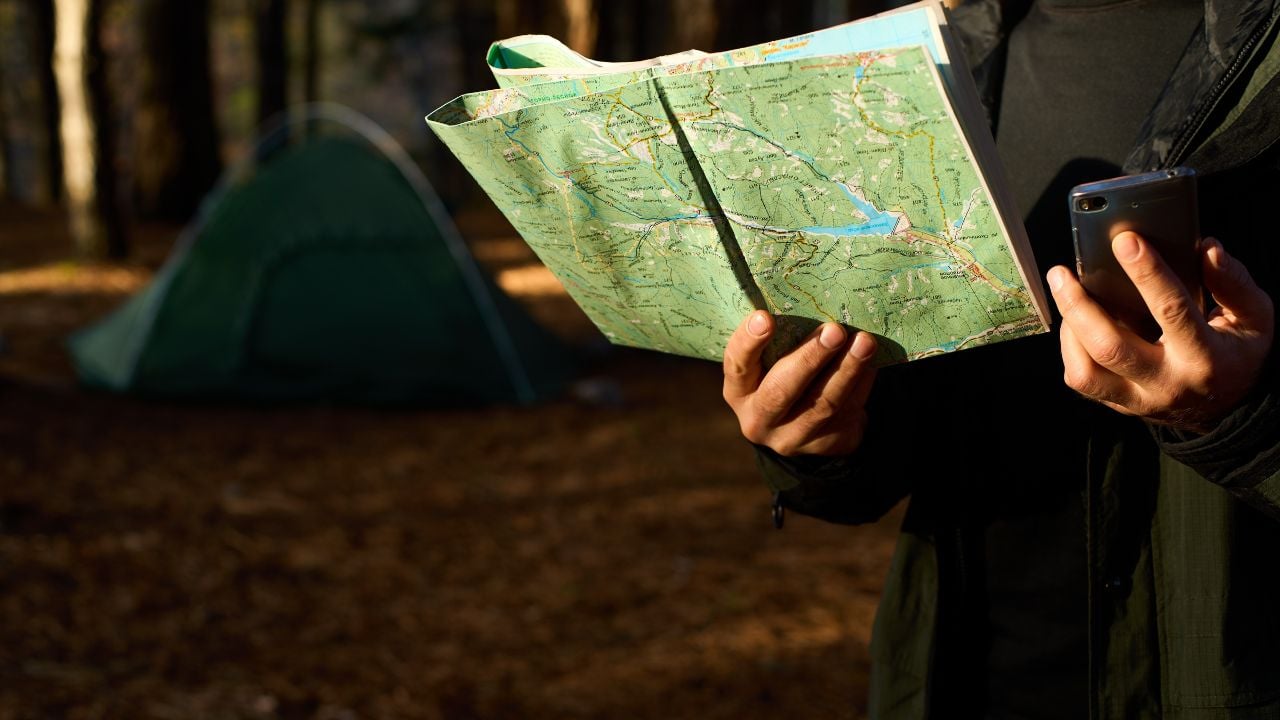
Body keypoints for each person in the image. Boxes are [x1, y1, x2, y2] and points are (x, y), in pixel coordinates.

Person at [720, 0, 1280, 717]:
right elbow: (916, 430)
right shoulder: (943, 53)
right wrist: (822, 444)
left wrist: (1247, 422)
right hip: (967, 678)